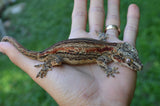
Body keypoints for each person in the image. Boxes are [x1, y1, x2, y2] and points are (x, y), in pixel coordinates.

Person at [0, 0, 140, 105]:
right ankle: (48, 63)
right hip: (58, 53)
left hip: (63, 48)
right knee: (57, 62)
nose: (134, 66)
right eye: (128, 62)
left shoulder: (107, 47)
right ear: (117, 56)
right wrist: (108, 71)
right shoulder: (106, 53)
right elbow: (100, 61)